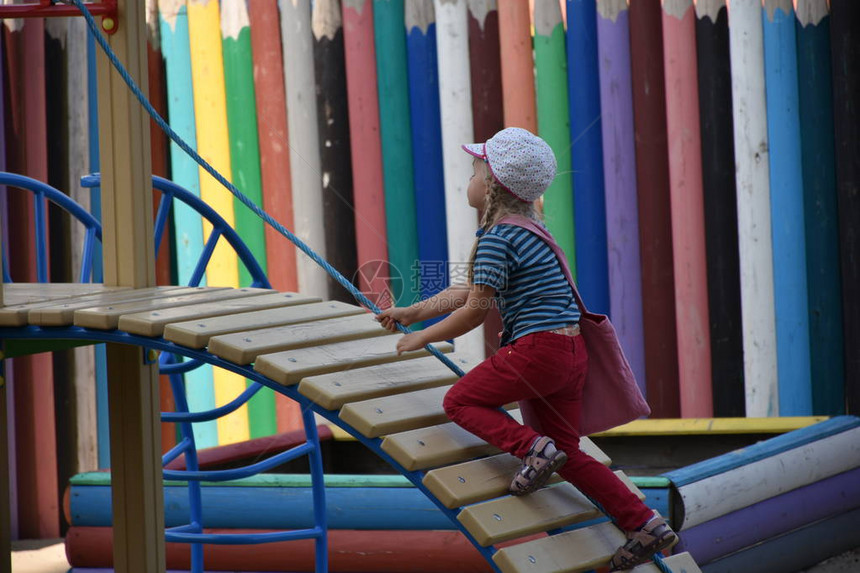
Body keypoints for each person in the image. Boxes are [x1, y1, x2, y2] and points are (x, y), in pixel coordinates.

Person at [376, 127, 677, 570]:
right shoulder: (530, 231)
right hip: (570, 354)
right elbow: (469, 289)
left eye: (476, 170)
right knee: (569, 451)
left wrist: (423, 337)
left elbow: (475, 312)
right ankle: (645, 523)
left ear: (492, 185)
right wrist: (413, 311)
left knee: (459, 401)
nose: (471, 179)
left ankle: (533, 449)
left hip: (536, 352)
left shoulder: (497, 239)